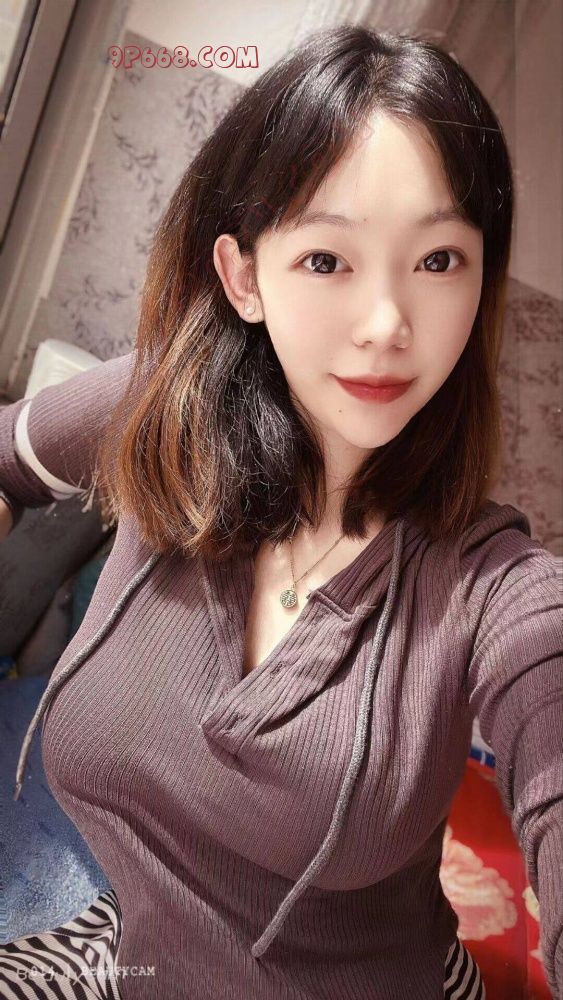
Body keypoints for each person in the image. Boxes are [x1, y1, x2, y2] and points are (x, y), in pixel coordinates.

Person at [0, 22, 561, 1000]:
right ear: (243, 276)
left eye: (438, 261)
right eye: (327, 259)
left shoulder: (492, 587)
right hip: (130, 953)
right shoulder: (156, 415)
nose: (386, 323)